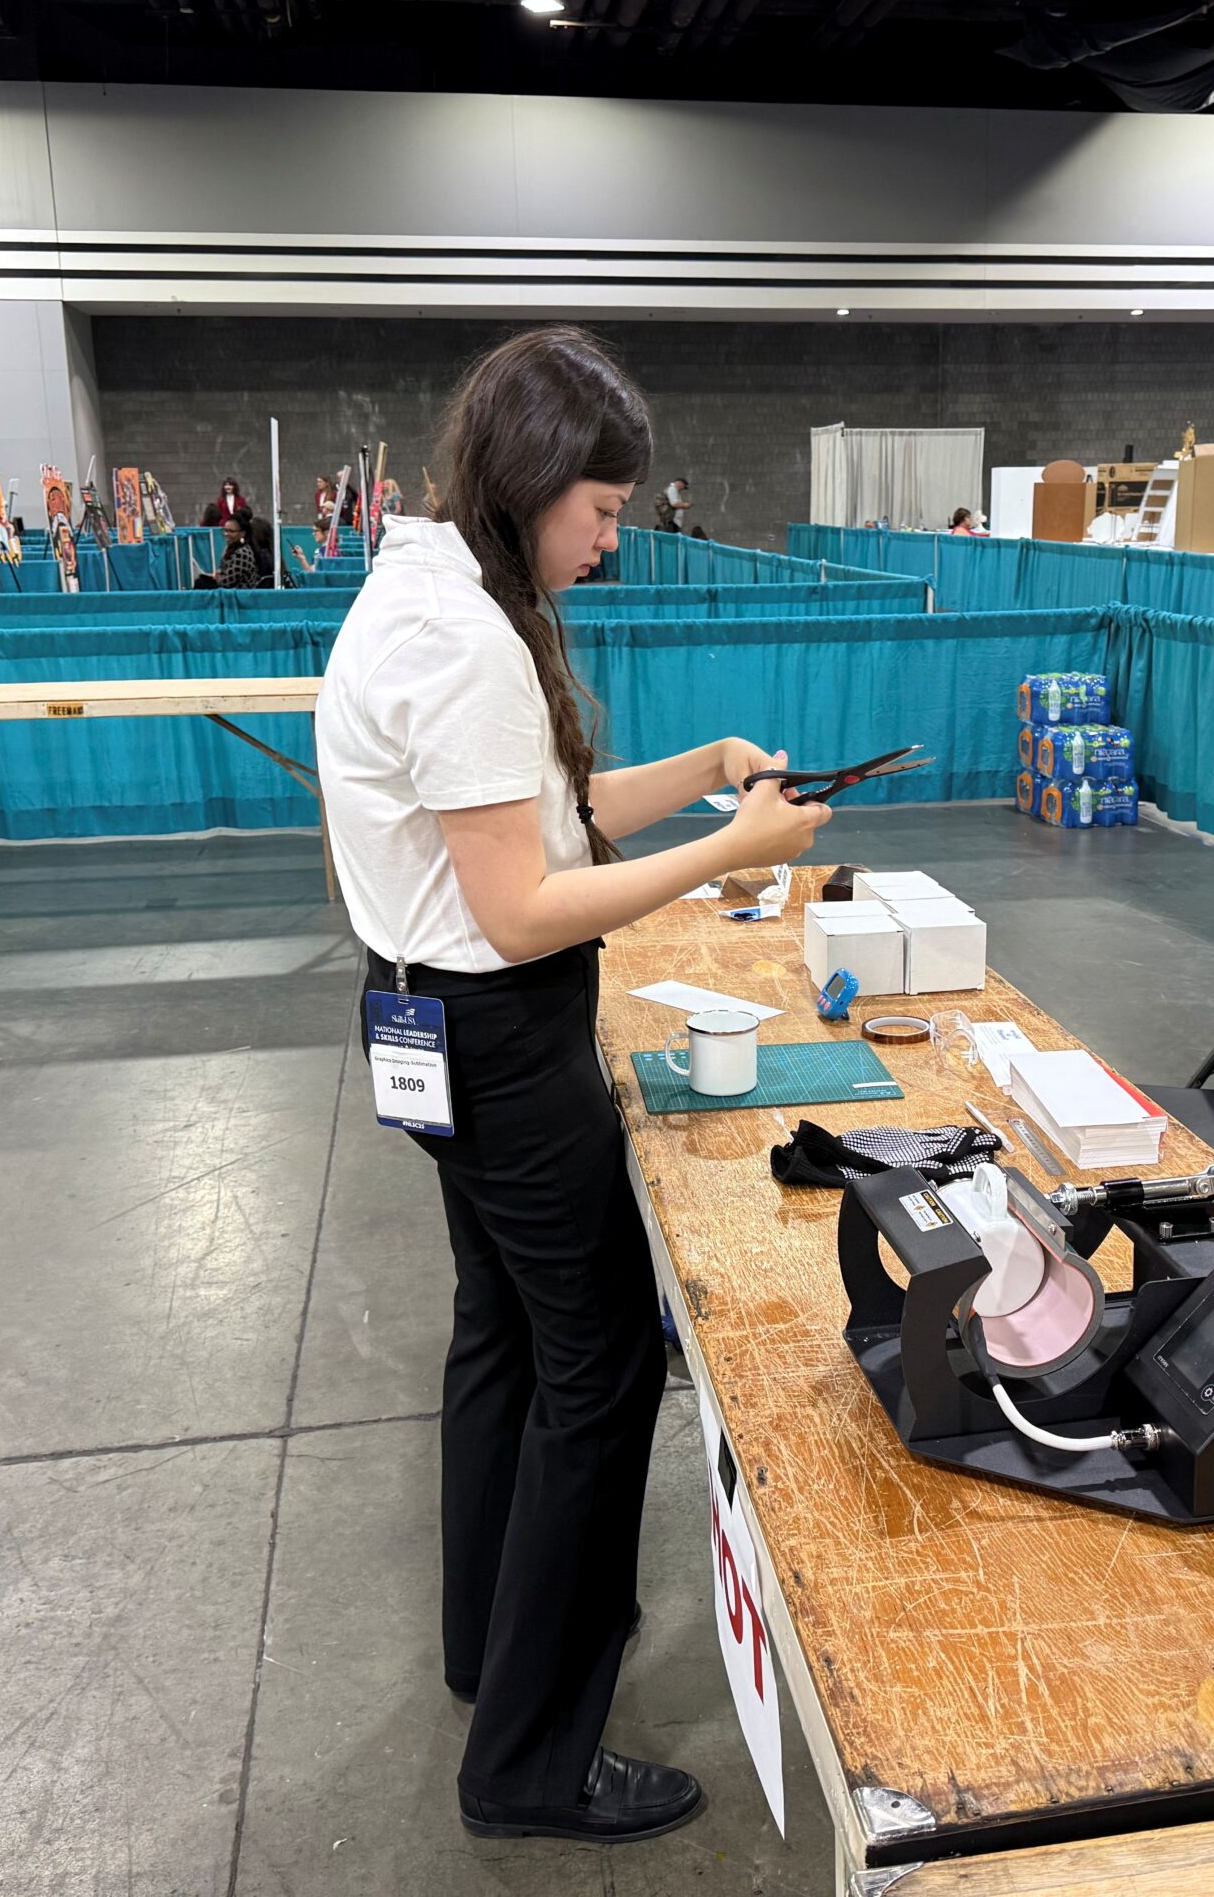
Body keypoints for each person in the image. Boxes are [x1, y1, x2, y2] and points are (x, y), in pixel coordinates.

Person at [313, 327, 827, 1846]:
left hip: (431, 1029)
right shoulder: (469, 636)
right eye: (600, 511)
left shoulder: (431, 590)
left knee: (505, 1338)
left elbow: (541, 812)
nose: (612, 540)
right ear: (536, 483)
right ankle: (532, 1761)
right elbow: (526, 904)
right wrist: (731, 859)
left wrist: (703, 772)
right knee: (596, 1371)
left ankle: (491, 1651)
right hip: (496, 1035)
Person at [214, 509, 266, 589]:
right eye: (225, 530)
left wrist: (215, 576)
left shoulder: (242, 553)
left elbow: (226, 582)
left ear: (242, 533)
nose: (226, 534)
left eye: (231, 531)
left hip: (241, 596)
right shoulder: (230, 549)